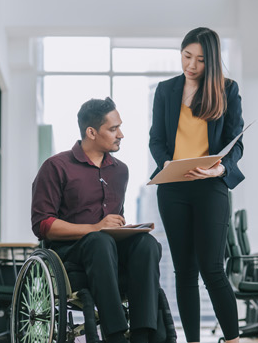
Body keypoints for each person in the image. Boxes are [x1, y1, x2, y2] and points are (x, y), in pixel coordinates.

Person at [31, 98, 164, 343]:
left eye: (120, 127)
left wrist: (124, 229)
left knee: (147, 244)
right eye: (113, 129)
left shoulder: (120, 171)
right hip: (70, 255)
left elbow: (114, 220)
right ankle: (114, 335)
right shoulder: (56, 167)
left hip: (108, 250)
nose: (120, 134)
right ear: (91, 132)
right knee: (99, 241)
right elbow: (42, 225)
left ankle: (143, 335)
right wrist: (95, 228)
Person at [148, 27, 245, 343]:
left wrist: (220, 169)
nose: (190, 65)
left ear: (212, 61)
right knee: (184, 272)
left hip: (210, 187)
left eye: (200, 60)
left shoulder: (227, 91)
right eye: (186, 56)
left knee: (212, 269)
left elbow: (236, 142)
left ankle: (232, 339)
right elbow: (157, 139)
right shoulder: (166, 90)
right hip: (173, 187)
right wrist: (165, 162)